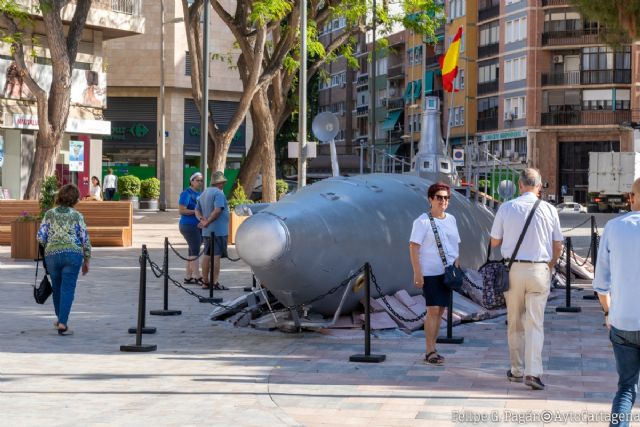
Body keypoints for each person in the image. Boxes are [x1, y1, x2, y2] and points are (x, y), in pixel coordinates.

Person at [490, 168, 563, 390]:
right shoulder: (550, 210)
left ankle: (516, 369)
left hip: (513, 270)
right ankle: (534, 373)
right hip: (539, 270)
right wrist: (548, 267)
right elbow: (558, 246)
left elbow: (494, 242)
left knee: (514, 322)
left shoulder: (506, 207)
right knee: (535, 323)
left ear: (520, 185)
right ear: (539, 187)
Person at [593, 178, 640, 427]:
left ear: (631, 198)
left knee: (626, 388)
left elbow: (600, 282)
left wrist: (608, 312)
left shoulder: (613, 227)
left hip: (623, 321)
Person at [409, 182, 460, 365]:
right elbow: (414, 248)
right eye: (439, 197)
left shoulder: (451, 219)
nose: (443, 201)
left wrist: (456, 266)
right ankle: (429, 350)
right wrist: (417, 273)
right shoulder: (422, 221)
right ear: (430, 199)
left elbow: (455, 245)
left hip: (446, 273)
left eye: (446, 198)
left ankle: (434, 347)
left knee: (440, 311)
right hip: (430, 272)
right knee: (432, 310)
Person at [37, 184, 91, 336]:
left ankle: (60, 319)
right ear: (75, 199)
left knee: (57, 288)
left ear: (59, 196)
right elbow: (84, 239)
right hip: (73, 255)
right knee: (67, 289)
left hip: (52, 255)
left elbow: (40, 237)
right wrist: (87, 259)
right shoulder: (77, 216)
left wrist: (51, 245)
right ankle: (62, 323)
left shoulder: (49, 214)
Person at [195, 171, 229, 291]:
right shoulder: (218, 193)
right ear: (219, 183)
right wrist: (207, 221)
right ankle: (214, 283)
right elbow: (218, 210)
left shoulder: (204, 193)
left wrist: (202, 220)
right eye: (223, 182)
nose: (224, 184)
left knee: (206, 256)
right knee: (216, 257)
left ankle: (205, 282)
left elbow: (196, 210)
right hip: (218, 231)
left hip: (207, 231)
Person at [179, 172, 204, 284]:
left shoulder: (199, 193)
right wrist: (196, 211)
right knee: (195, 251)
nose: (200, 182)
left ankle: (188, 277)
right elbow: (182, 210)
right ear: (192, 181)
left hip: (197, 226)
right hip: (188, 226)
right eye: (197, 180)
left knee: (191, 251)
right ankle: (198, 276)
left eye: (201, 180)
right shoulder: (186, 193)